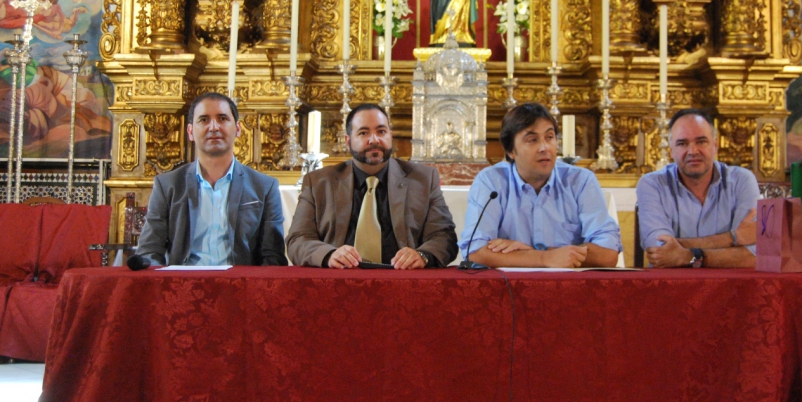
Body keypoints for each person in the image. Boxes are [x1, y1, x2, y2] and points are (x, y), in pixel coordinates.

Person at [286, 103, 459, 269]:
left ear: (390, 136)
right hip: (337, 281)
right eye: (363, 133)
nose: (374, 140)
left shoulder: (423, 179)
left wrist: (423, 255)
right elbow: (298, 239)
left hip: (402, 280)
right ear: (348, 141)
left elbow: (444, 237)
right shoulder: (319, 182)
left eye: (381, 131)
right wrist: (328, 255)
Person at [460, 103, 621, 268]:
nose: (545, 148)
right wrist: (545, 258)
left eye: (549, 137)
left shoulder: (580, 180)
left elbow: (608, 253)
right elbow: (475, 251)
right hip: (509, 289)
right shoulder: (492, 181)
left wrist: (540, 253)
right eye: (532, 140)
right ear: (511, 151)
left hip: (570, 287)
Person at [134, 92, 285, 266]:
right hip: (182, 284)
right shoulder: (168, 185)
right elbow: (150, 250)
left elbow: (273, 256)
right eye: (204, 120)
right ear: (190, 131)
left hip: (241, 285)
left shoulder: (264, 187)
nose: (214, 127)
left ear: (237, 129)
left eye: (222, 119)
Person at [636, 108, 760, 269]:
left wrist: (688, 255)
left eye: (701, 141)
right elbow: (660, 250)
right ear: (671, 150)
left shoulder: (742, 180)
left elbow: (752, 256)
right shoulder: (652, 184)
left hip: (730, 288)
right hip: (671, 287)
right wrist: (733, 238)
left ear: (715, 145)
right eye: (682, 143)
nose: (693, 151)